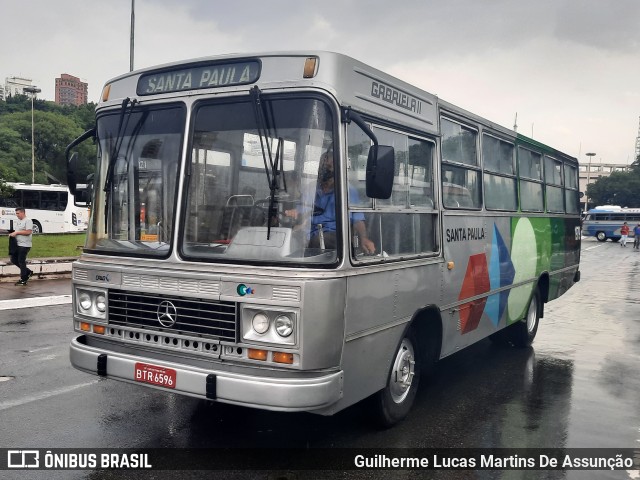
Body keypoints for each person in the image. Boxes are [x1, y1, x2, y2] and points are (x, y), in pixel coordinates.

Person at [285, 150, 376, 254]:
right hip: (309, 231)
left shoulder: (347, 191)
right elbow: (302, 208)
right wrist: (294, 212)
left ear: (336, 170)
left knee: (317, 242)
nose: (324, 171)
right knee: (286, 237)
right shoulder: (311, 188)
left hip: (334, 234)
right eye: (322, 167)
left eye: (328, 168)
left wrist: (364, 238)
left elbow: (357, 219)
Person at [9, 207, 34, 286]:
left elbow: (28, 232)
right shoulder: (19, 221)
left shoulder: (28, 221)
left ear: (23, 212)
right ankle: (28, 272)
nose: (17, 215)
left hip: (24, 245)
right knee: (13, 259)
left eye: (18, 213)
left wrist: (16, 233)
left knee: (21, 261)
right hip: (18, 244)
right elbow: (17, 231)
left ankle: (23, 278)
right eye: (16, 213)